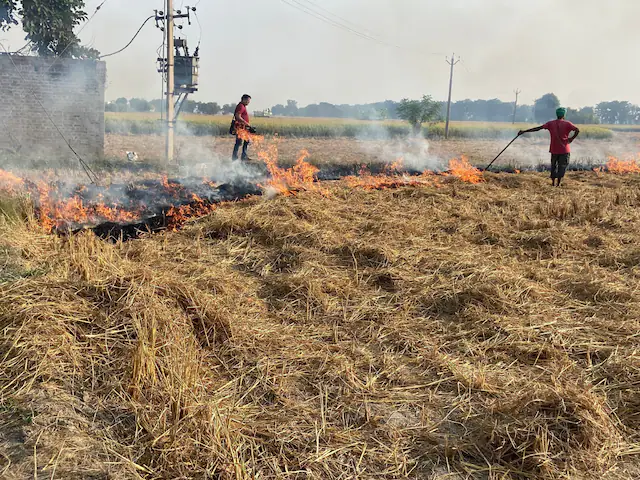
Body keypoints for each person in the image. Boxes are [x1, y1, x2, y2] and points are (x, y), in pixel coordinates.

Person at [518, 107, 580, 187]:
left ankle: (553, 183)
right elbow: (577, 130)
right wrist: (571, 139)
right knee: (562, 166)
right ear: (564, 115)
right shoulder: (567, 124)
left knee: (553, 166)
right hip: (564, 150)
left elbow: (538, 128)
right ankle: (558, 183)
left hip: (554, 150)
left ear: (556, 114)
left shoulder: (550, 123)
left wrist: (524, 131)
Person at [232, 94, 252, 161]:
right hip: (240, 128)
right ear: (244, 99)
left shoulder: (242, 106)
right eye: (248, 101)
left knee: (246, 140)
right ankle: (235, 157)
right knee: (239, 142)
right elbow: (238, 116)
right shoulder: (241, 106)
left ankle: (243, 156)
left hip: (243, 127)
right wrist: (246, 123)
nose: (248, 102)